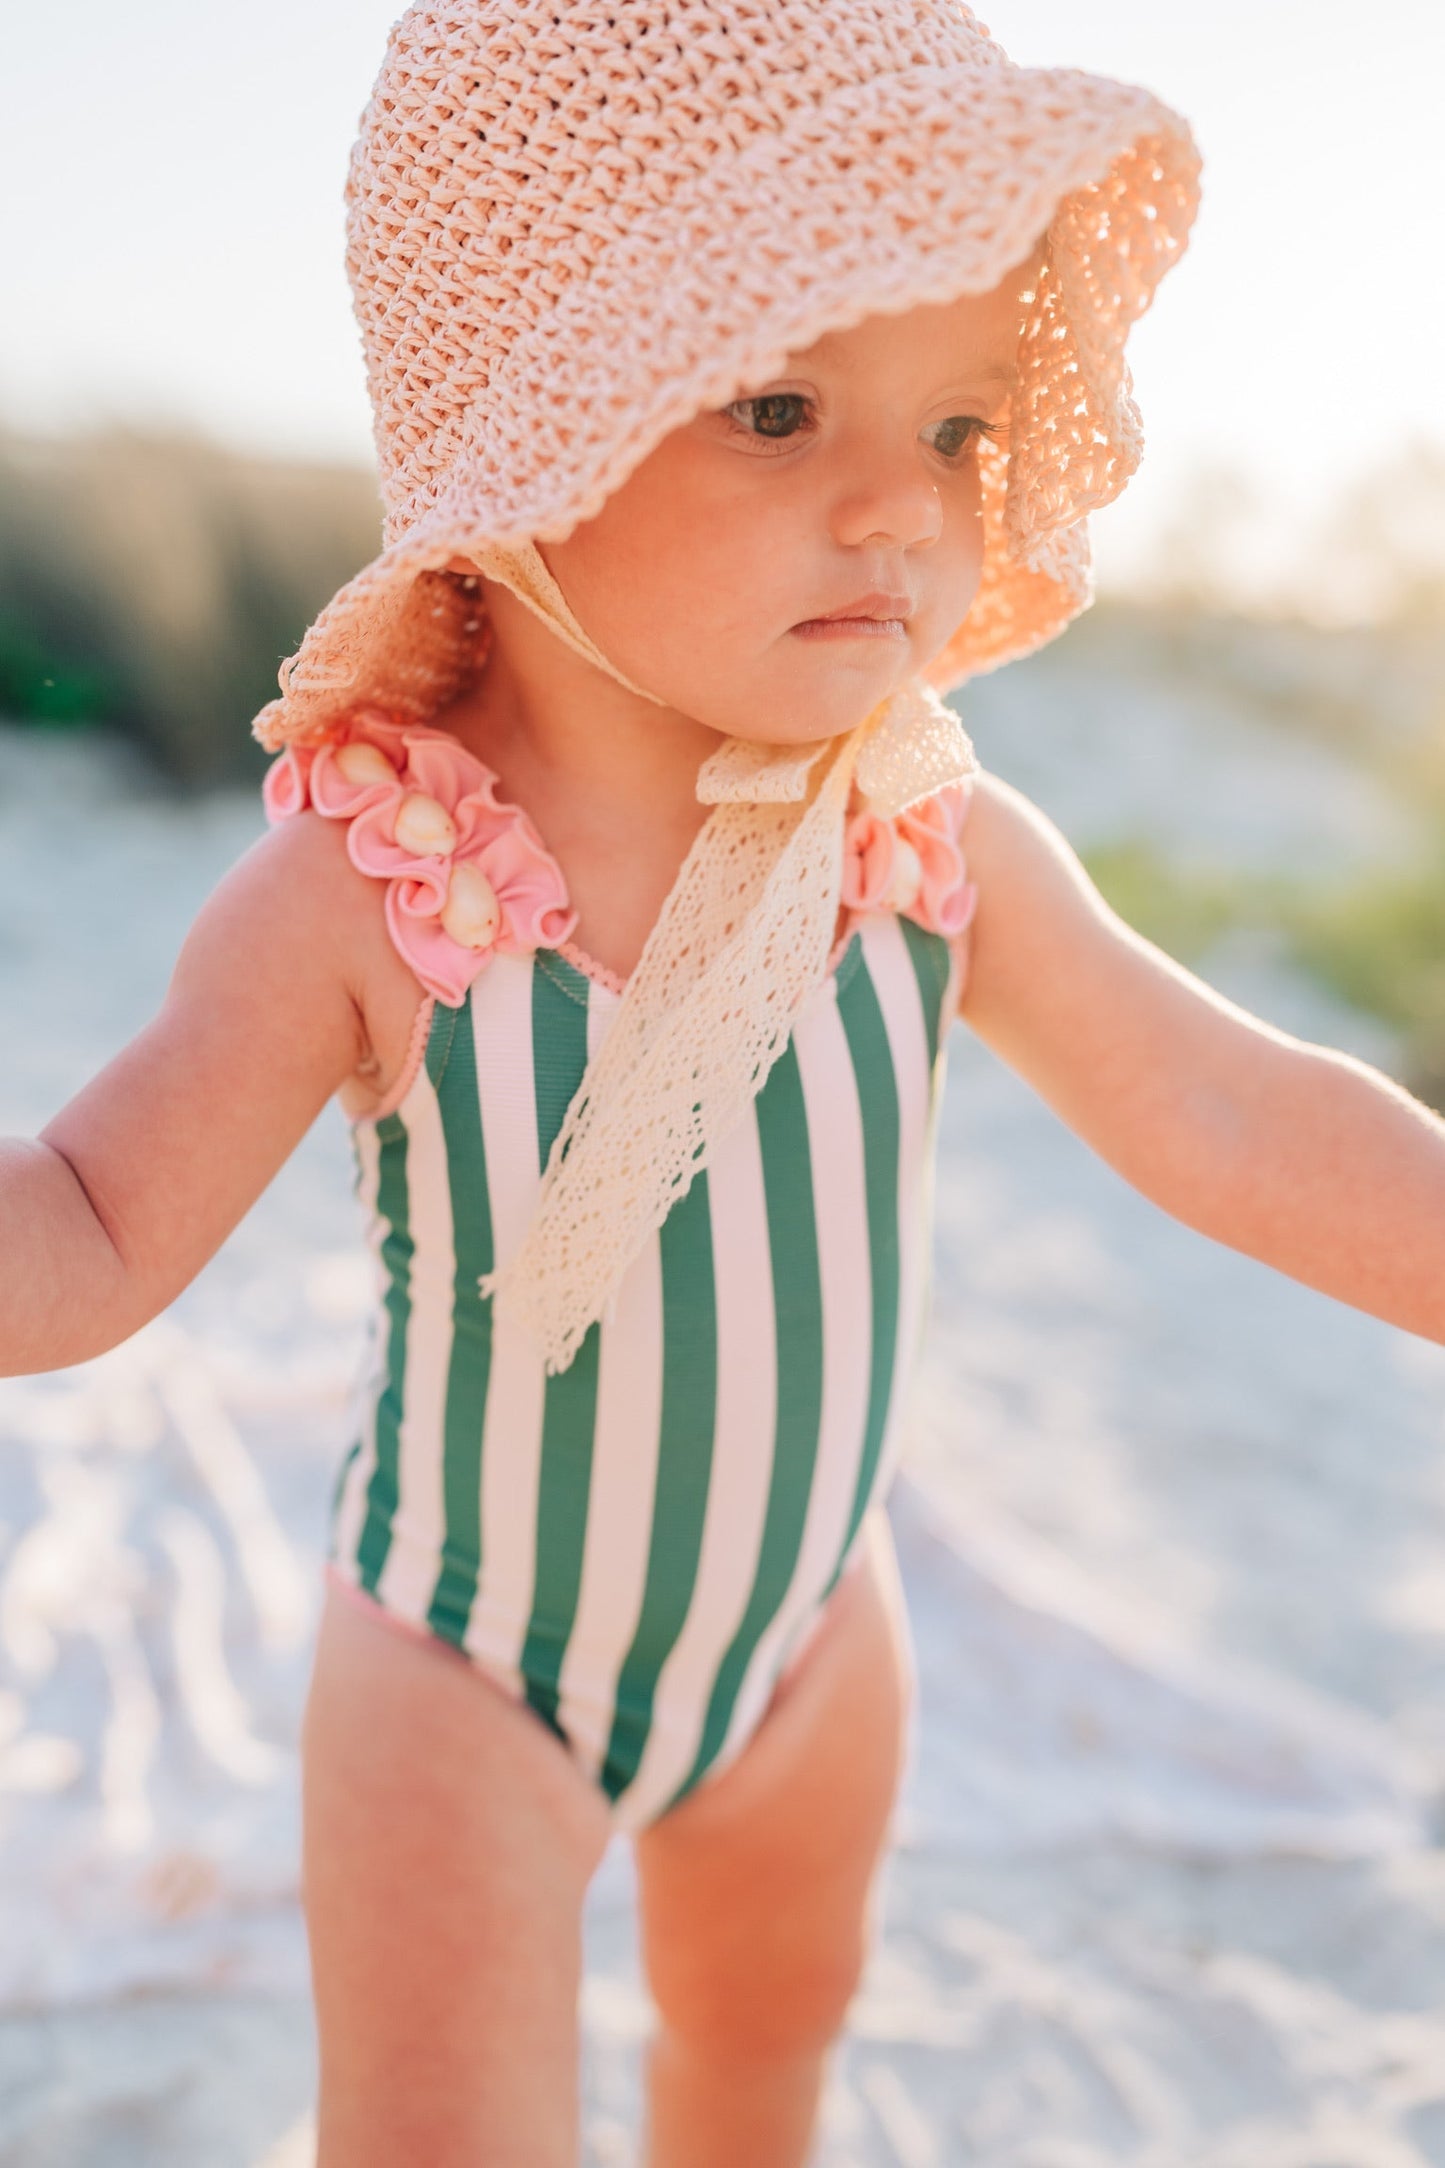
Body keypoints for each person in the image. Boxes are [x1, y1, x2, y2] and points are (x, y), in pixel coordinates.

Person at [4, 1, 1443, 2160]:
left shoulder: (929, 840)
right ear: (525, 450)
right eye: (779, 407)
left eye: (957, 426)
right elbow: (91, 1227)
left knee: (756, 2068)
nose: (900, 505)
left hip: (809, 1648)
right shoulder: (376, 884)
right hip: (466, 1682)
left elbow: (1232, 1115)